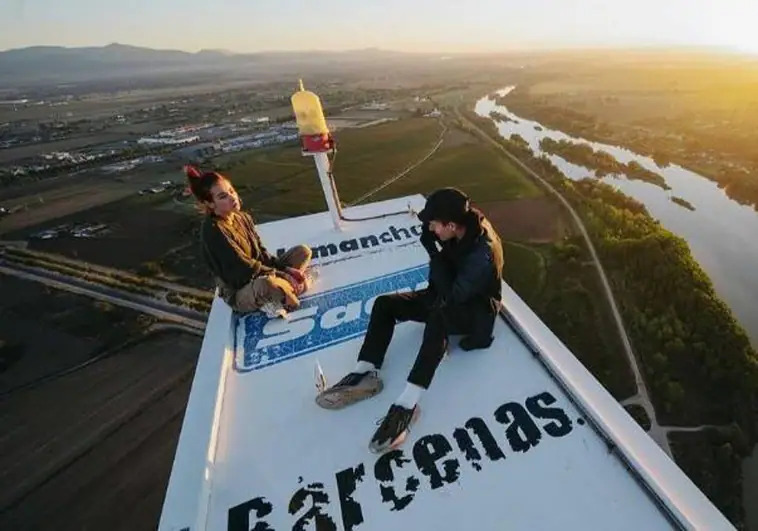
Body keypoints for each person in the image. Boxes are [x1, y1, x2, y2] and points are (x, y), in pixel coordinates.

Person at [316, 187, 504, 453]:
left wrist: (434, 252)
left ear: (451, 225)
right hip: (446, 294)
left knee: (438, 318)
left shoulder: (481, 253)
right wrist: (436, 247)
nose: (431, 229)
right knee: (385, 305)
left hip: (473, 311)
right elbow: (443, 284)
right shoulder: (461, 226)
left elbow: (453, 296)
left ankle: (406, 406)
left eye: (434, 224)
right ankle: (364, 372)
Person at [184, 165, 312, 317]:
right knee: (268, 285)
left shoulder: (243, 218)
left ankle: (281, 290)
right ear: (210, 204)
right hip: (240, 289)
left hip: (259, 273)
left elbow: (261, 254)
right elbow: (244, 269)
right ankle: (281, 292)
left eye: (232, 191)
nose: (233, 198)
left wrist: (286, 269)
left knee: (303, 252)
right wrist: (282, 275)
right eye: (223, 196)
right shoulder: (214, 230)